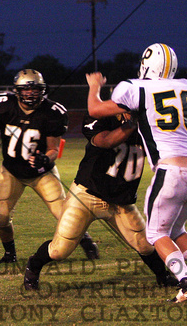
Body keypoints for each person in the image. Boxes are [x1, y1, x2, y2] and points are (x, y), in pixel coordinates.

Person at [86, 43, 187, 303]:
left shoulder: (135, 87)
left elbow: (95, 110)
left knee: (156, 233)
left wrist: (94, 87)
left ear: (147, 63)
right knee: (176, 228)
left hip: (171, 169)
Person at [23, 112, 178, 290]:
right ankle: (33, 266)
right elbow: (106, 141)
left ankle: (163, 276)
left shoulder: (150, 121)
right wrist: (131, 124)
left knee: (145, 245)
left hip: (121, 200)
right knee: (60, 250)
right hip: (86, 195)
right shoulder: (102, 117)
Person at [0, 69, 99, 263]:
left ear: (43, 90)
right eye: (26, 89)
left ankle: (86, 241)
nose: (31, 93)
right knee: (1, 217)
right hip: (11, 171)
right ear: (17, 91)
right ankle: (10, 253)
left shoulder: (52, 112)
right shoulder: (4, 106)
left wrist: (46, 159)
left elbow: (53, 149)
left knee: (63, 213)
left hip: (41, 172)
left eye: (35, 89)